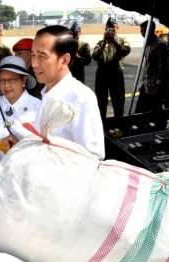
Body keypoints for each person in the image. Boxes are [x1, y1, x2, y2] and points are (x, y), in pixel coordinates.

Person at [31, 25, 105, 160]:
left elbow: (93, 156)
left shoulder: (80, 98)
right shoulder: (47, 93)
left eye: (42, 56)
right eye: (33, 55)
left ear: (64, 60)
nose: (34, 63)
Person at [0, 56, 41, 167]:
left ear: (23, 81)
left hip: (27, 167)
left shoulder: (38, 106)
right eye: (2, 80)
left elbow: (39, 141)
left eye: (12, 80)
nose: (6, 85)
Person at [92, 18, 131, 120]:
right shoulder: (100, 43)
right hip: (102, 73)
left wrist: (114, 41)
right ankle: (102, 123)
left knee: (118, 100)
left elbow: (125, 51)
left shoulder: (122, 40)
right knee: (101, 101)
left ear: (117, 28)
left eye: (113, 28)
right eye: (109, 29)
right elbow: (95, 56)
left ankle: (119, 123)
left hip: (116, 73)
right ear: (105, 30)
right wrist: (105, 42)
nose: (111, 31)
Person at [135, 20, 169, 114]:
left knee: (154, 112)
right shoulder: (147, 43)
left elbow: (163, 68)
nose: (142, 34)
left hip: (155, 86)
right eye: (141, 31)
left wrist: (159, 85)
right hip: (147, 83)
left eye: (144, 31)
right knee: (139, 111)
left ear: (151, 30)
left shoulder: (160, 45)